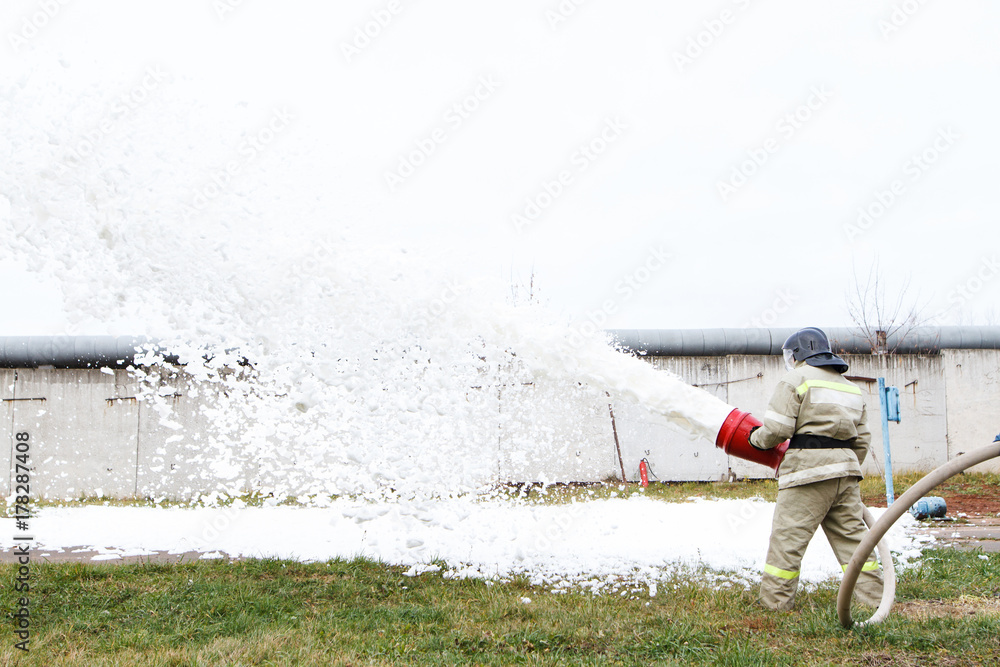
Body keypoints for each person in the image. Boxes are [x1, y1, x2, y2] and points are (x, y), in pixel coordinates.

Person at [749, 327, 883, 611]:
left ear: (798, 353)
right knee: (854, 540)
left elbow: (777, 430)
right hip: (846, 474)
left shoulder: (796, 379)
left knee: (788, 540)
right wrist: (843, 468)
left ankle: (775, 605)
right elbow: (862, 441)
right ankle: (874, 601)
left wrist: (754, 439)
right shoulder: (850, 387)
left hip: (807, 474)